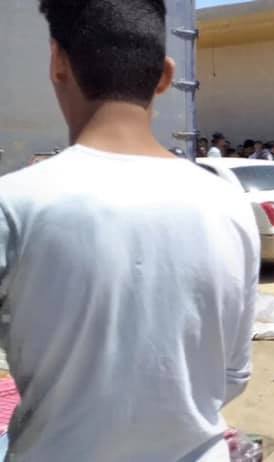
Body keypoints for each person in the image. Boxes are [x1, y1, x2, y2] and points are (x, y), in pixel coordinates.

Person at [0, 1, 260, 460]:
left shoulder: (14, 203)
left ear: (57, 61)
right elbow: (232, 376)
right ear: (165, 75)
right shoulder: (229, 203)